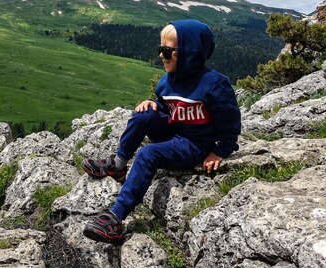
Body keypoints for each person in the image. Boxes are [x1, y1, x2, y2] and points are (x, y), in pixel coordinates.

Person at [82, 19, 241, 245]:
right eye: (160, 49)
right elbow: (166, 104)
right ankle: (118, 164)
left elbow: (231, 121)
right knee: (142, 115)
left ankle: (115, 218)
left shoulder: (214, 84)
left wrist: (221, 151)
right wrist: (153, 104)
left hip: (194, 145)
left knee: (148, 154)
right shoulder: (167, 80)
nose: (161, 56)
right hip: (173, 132)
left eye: (167, 51)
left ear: (190, 53)